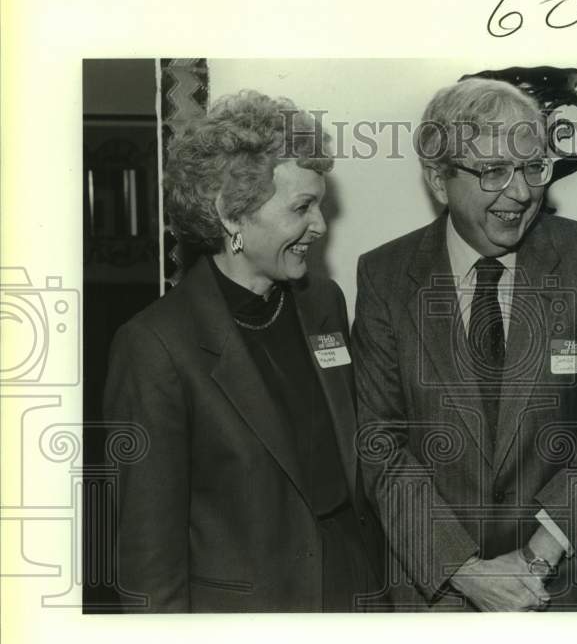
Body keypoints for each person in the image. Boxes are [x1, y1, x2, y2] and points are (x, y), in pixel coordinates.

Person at [351, 78, 577, 611]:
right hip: (439, 596)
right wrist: (465, 570)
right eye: (492, 171)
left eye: (533, 167)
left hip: (563, 586)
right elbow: (380, 443)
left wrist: (536, 557)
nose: (521, 192)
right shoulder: (385, 277)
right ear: (440, 181)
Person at [105, 90, 389, 612]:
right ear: (231, 216)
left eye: (320, 204)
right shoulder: (155, 347)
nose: (321, 225)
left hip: (355, 590)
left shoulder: (323, 302)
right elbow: (148, 559)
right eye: (302, 207)